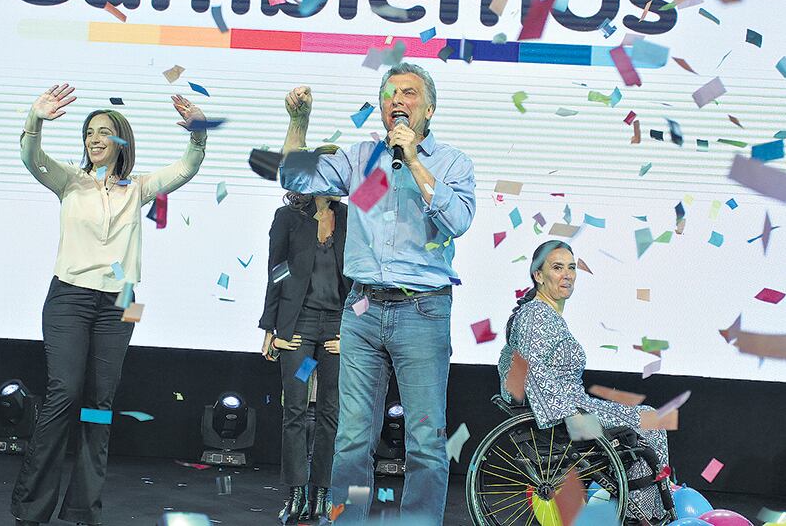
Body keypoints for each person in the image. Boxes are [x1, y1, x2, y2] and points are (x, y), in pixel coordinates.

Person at [279, 63, 477, 524]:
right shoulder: (361, 157)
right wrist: (298, 122)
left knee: (425, 441)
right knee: (352, 437)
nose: (396, 101)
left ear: (428, 108)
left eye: (408, 93)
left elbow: (460, 221)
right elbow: (294, 177)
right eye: (389, 94)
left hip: (422, 310)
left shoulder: (452, 162)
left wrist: (413, 161)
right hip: (362, 309)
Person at [10, 84, 208, 526]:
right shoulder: (69, 181)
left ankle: (83, 509)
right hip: (69, 295)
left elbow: (187, 167)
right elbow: (31, 157)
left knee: (100, 402)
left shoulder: (137, 189)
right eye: (89, 132)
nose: (94, 139)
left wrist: (198, 132)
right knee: (64, 393)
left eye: (104, 132)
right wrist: (35, 118)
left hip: (123, 301)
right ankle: (31, 508)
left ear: (122, 141)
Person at [497, 240, 672, 523]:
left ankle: (643, 512)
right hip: (562, 417)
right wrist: (571, 414)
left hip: (572, 408)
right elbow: (534, 375)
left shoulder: (548, 313)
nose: (567, 274)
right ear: (538, 275)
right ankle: (642, 516)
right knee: (649, 421)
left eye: (571, 267)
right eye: (557, 267)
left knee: (649, 421)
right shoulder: (534, 316)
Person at [259, 156, 351, 524]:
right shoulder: (289, 218)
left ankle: (321, 493)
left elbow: (363, 280)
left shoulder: (349, 219)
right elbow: (276, 272)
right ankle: (296, 493)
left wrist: (352, 330)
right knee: (295, 410)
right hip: (298, 328)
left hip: (336, 329)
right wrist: (271, 326)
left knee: (331, 413)